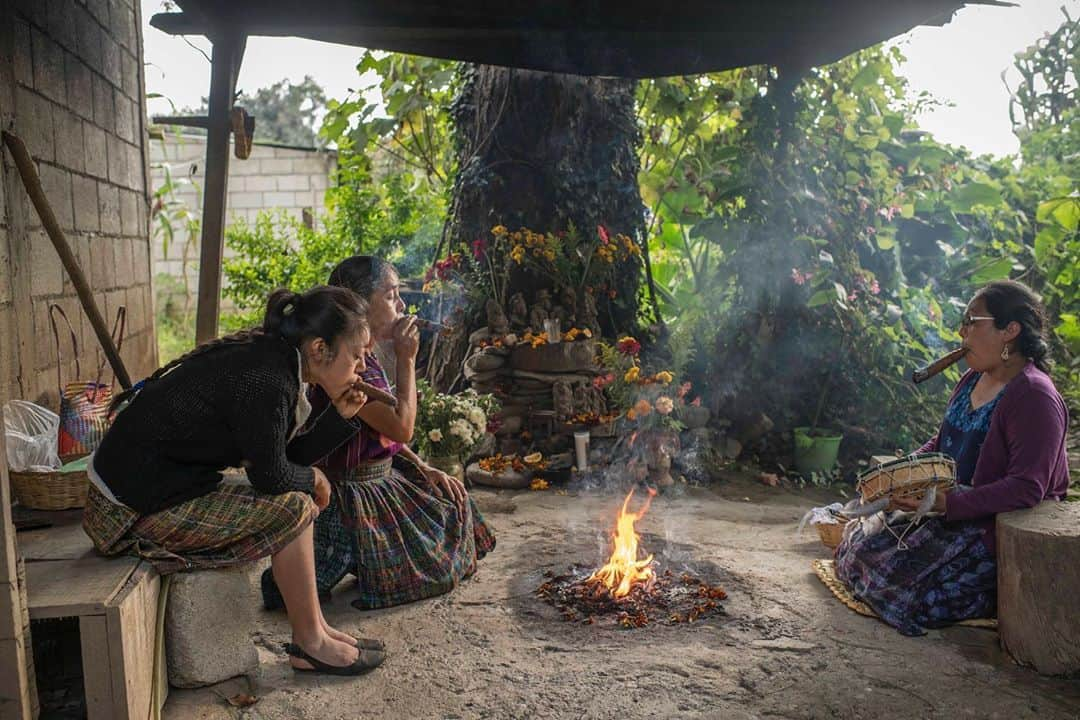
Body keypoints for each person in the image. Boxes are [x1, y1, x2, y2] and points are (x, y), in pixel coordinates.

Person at [83, 286, 386, 676]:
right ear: (318, 349)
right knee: (295, 503)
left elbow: (279, 461)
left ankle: (316, 632)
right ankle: (311, 642)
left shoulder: (275, 359)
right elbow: (273, 476)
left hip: (148, 490)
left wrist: (338, 421)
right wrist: (315, 477)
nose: (362, 368)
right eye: (357, 357)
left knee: (296, 496)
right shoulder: (268, 379)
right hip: (126, 510)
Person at [836, 280, 1070, 636]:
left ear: (1010, 331)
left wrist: (947, 503)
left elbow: (1027, 488)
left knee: (898, 587)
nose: (961, 331)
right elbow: (944, 440)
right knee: (859, 548)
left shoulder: (1034, 396)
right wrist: (905, 470)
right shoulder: (972, 378)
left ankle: (989, 596)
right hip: (951, 508)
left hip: (989, 524)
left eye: (971, 321)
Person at [262, 256, 496, 611]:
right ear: (359, 303)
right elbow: (402, 425)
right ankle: (347, 557)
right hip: (349, 494)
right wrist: (406, 358)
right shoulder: (344, 366)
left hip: (380, 477)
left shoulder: (362, 355)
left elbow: (389, 437)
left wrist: (422, 466)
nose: (401, 305)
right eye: (391, 295)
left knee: (453, 502)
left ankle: (360, 558)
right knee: (291, 587)